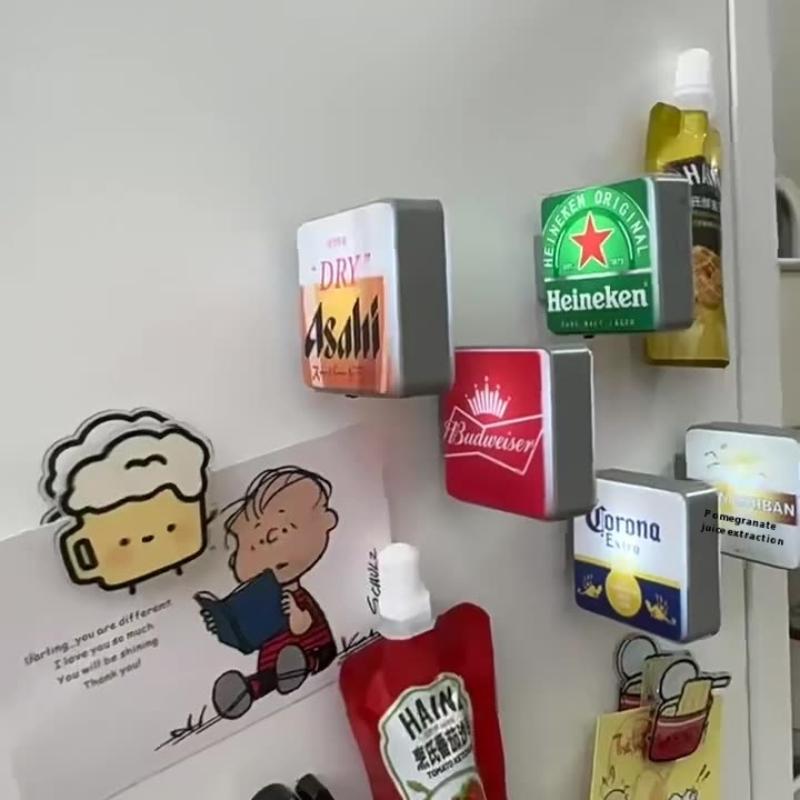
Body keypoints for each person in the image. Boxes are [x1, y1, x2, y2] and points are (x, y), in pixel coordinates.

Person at [205, 466, 339, 719]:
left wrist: (298, 617)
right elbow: (247, 636)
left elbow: (305, 625)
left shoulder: (298, 597)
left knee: (308, 655)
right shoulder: (262, 597)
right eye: (251, 545)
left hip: (314, 648)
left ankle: (301, 666)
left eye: (279, 534)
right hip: (276, 655)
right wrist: (223, 625)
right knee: (271, 671)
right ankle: (247, 690)